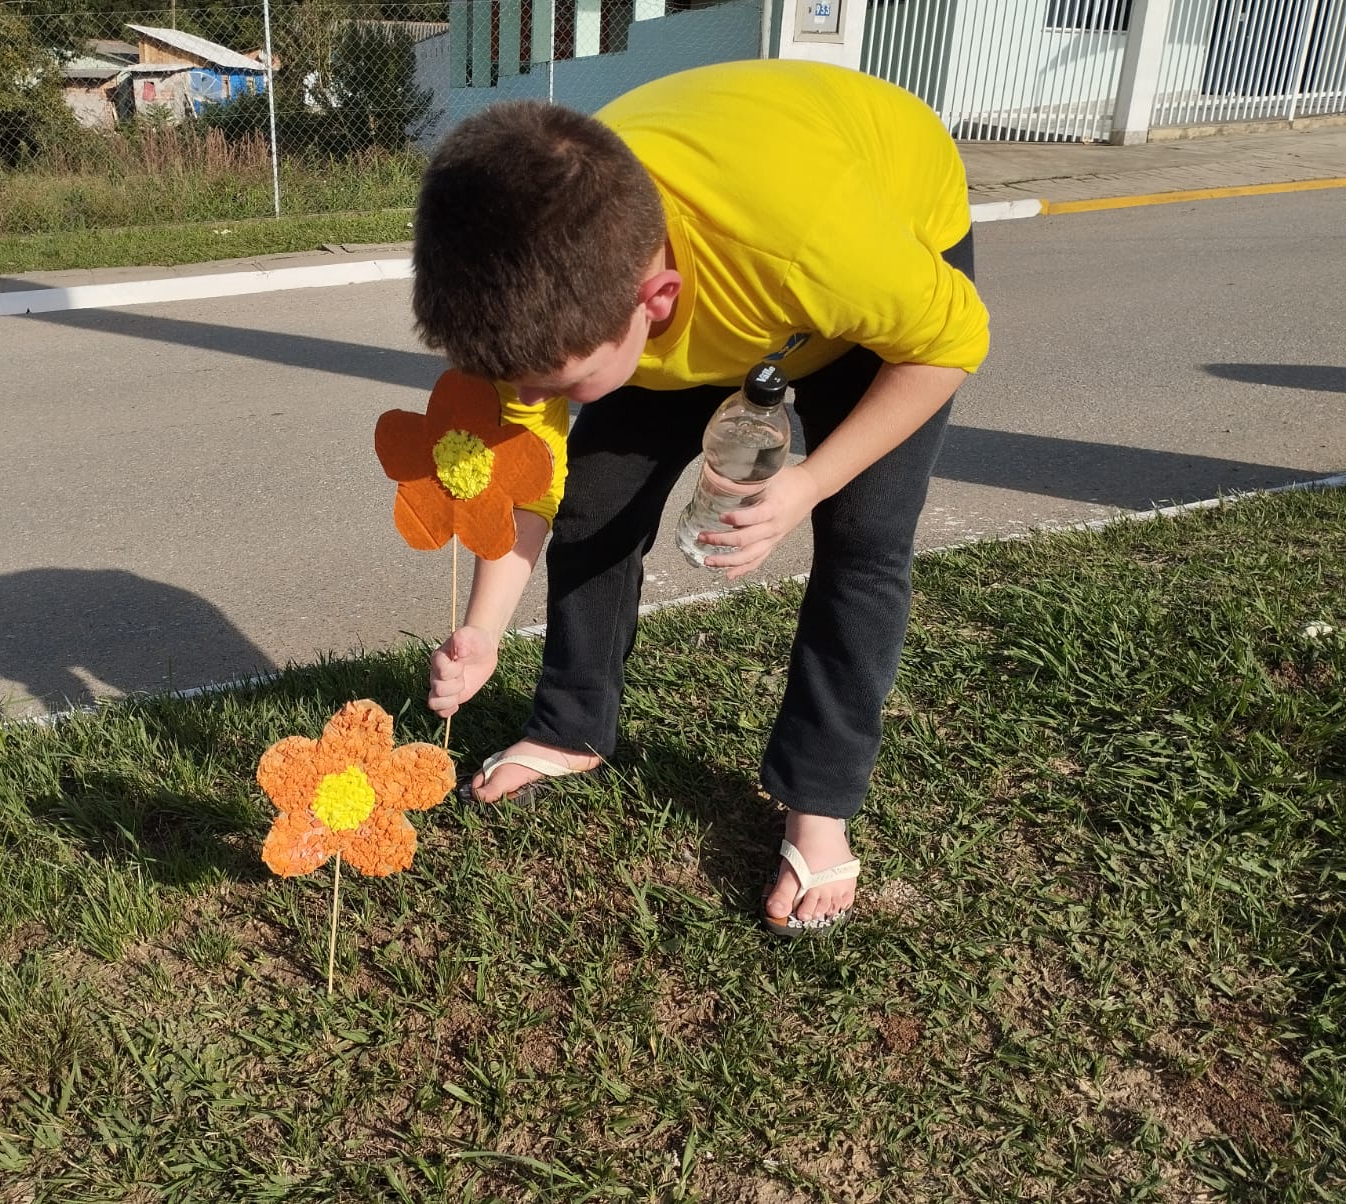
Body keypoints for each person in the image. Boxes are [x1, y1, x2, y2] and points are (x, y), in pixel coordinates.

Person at [409, 59, 989, 934]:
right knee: (595, 499)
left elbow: (948, 347)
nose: (532, 397)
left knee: (866, 536)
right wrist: (484, 631)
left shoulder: (819, 245)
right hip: (717, 290)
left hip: (876, 260)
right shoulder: (549, 281)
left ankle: (818, 806)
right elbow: (533, 475)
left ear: (654, 301)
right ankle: (571, 726)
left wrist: (809, 482)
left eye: (556, 382)